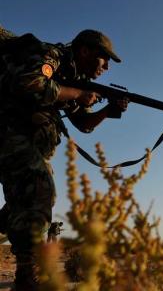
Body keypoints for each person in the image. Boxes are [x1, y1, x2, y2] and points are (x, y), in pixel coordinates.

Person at [0, 29, 128, 290]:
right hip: (10, 135)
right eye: (103, 59)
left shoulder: (76, 79)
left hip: (27, 146)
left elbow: (83, 123)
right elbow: (29, 82)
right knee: (40, 191)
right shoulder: (51, 55)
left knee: (18, 208)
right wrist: (77, 94)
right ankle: (28, 276)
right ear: (85, 51)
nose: (105, 67)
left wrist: (108, 110)